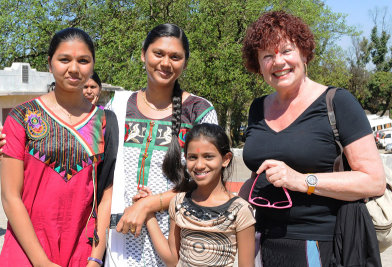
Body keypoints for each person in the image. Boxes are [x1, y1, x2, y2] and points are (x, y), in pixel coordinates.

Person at [241, 11, 385, 266]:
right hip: (262, 241)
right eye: (267, 55)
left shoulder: (338, 102)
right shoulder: (257, 108)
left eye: (286, 50)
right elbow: (258, 173)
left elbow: (374, 182)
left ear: (305, 53)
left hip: (319, 244)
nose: (278, 62)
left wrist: (300, 180)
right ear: (258, 65)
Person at [0, 28, 117, 267]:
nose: (74, 68)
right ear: (50, 64)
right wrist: (41, 262)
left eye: (83, 60)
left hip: (81, 251)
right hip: (27, 250)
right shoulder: (22, 117)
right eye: (64, 59)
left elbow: (106, 195)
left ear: (92, 66)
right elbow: (10, 197)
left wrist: (95, 256)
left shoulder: (104, 122)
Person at [104, 23, 218, 266]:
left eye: (175, 57)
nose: (166, 63)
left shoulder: (199, 111)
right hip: (121, 237)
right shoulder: (119, 105)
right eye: (158, 53)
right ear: (143, 53)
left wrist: (149, 204)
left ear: (185, 63)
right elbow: (91, 153)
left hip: (177, 238)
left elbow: (206, 180)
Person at [138, 123, 256, 267]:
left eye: (208, 157)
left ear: (226, 159)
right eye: (192, 157)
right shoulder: (179, 203)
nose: (199, 165)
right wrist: (148, 213)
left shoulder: (240, 210)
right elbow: (172, 260)